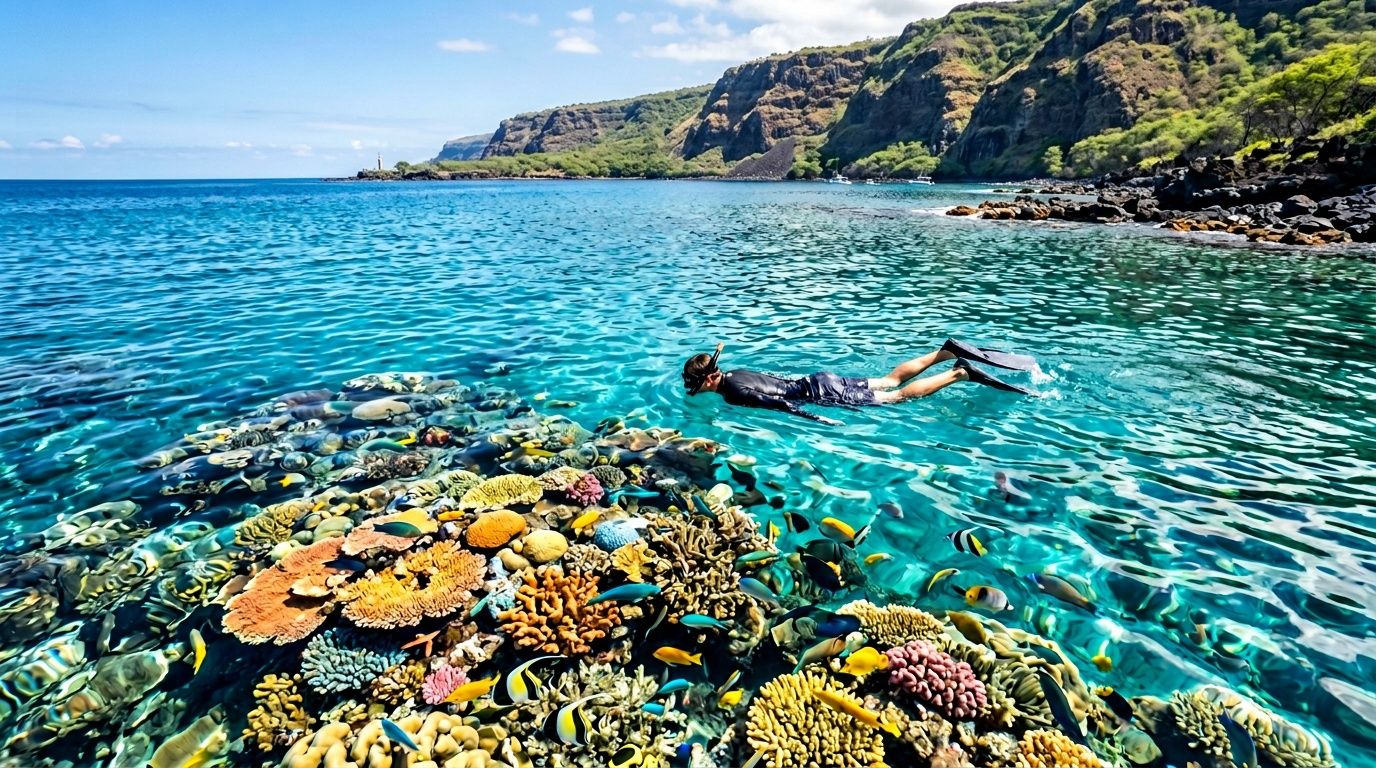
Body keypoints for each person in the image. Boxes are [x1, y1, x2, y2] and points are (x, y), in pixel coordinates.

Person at [682, 339, 1035, 424]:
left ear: (710, 378)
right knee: (888, 379)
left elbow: (779, 404)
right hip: (821, 379)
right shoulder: (736, 372)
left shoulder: (732, 391)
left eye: (698, 385)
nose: (698, 390)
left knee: (896, 398)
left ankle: (959, 372)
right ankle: (944, 352)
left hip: (823, 396)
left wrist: (818, 419)